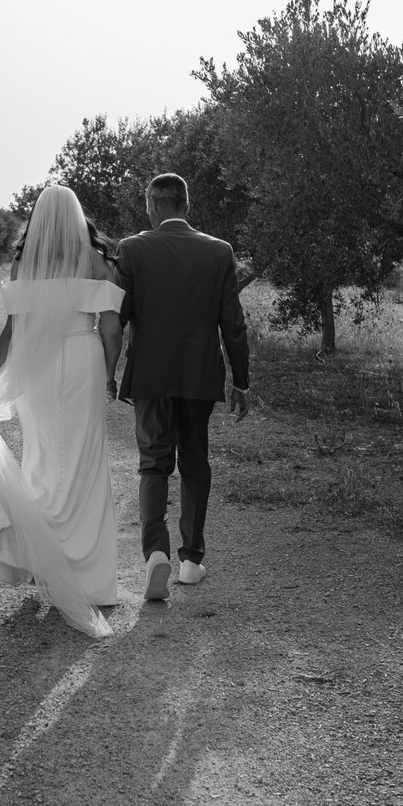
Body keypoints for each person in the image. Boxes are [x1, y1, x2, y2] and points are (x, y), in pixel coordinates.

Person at [0, 184, 124, 638]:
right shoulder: (99, 261)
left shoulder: (25, 264)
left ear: (40, 220)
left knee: (43, 460)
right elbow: (112, 326)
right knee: (84, 463)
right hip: (83, 359)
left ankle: (47, 562)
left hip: (39, 370)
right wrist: (109, 371)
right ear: (78, 218)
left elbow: (12, 330)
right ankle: (89, 579)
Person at [115, 173, 251, 602]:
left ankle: (155, 553)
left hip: (151, 377)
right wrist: (241, 380)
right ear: (187, 206)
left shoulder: (132, 249)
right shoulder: (218, 252)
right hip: (199, 377)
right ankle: (191, 560)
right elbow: (233, 324)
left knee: (153, 464)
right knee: (195, 462)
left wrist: (101, 368)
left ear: (153, 208)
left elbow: (115, 317)